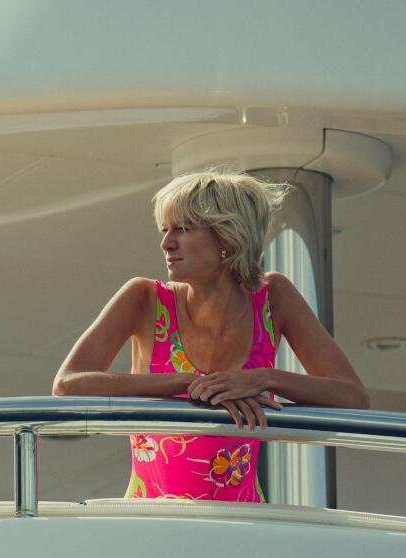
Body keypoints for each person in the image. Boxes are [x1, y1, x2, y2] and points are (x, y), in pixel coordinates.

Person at [52, 171, 369, 502]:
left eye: (184, 229)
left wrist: (264, 379)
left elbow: (353, 397)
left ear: (228, 236)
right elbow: (68, 384)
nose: (166, 243)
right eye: (165, 230)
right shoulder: (143, 299)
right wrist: (187, 383)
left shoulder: (274, 297)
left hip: (242, 528)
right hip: (148, 525)